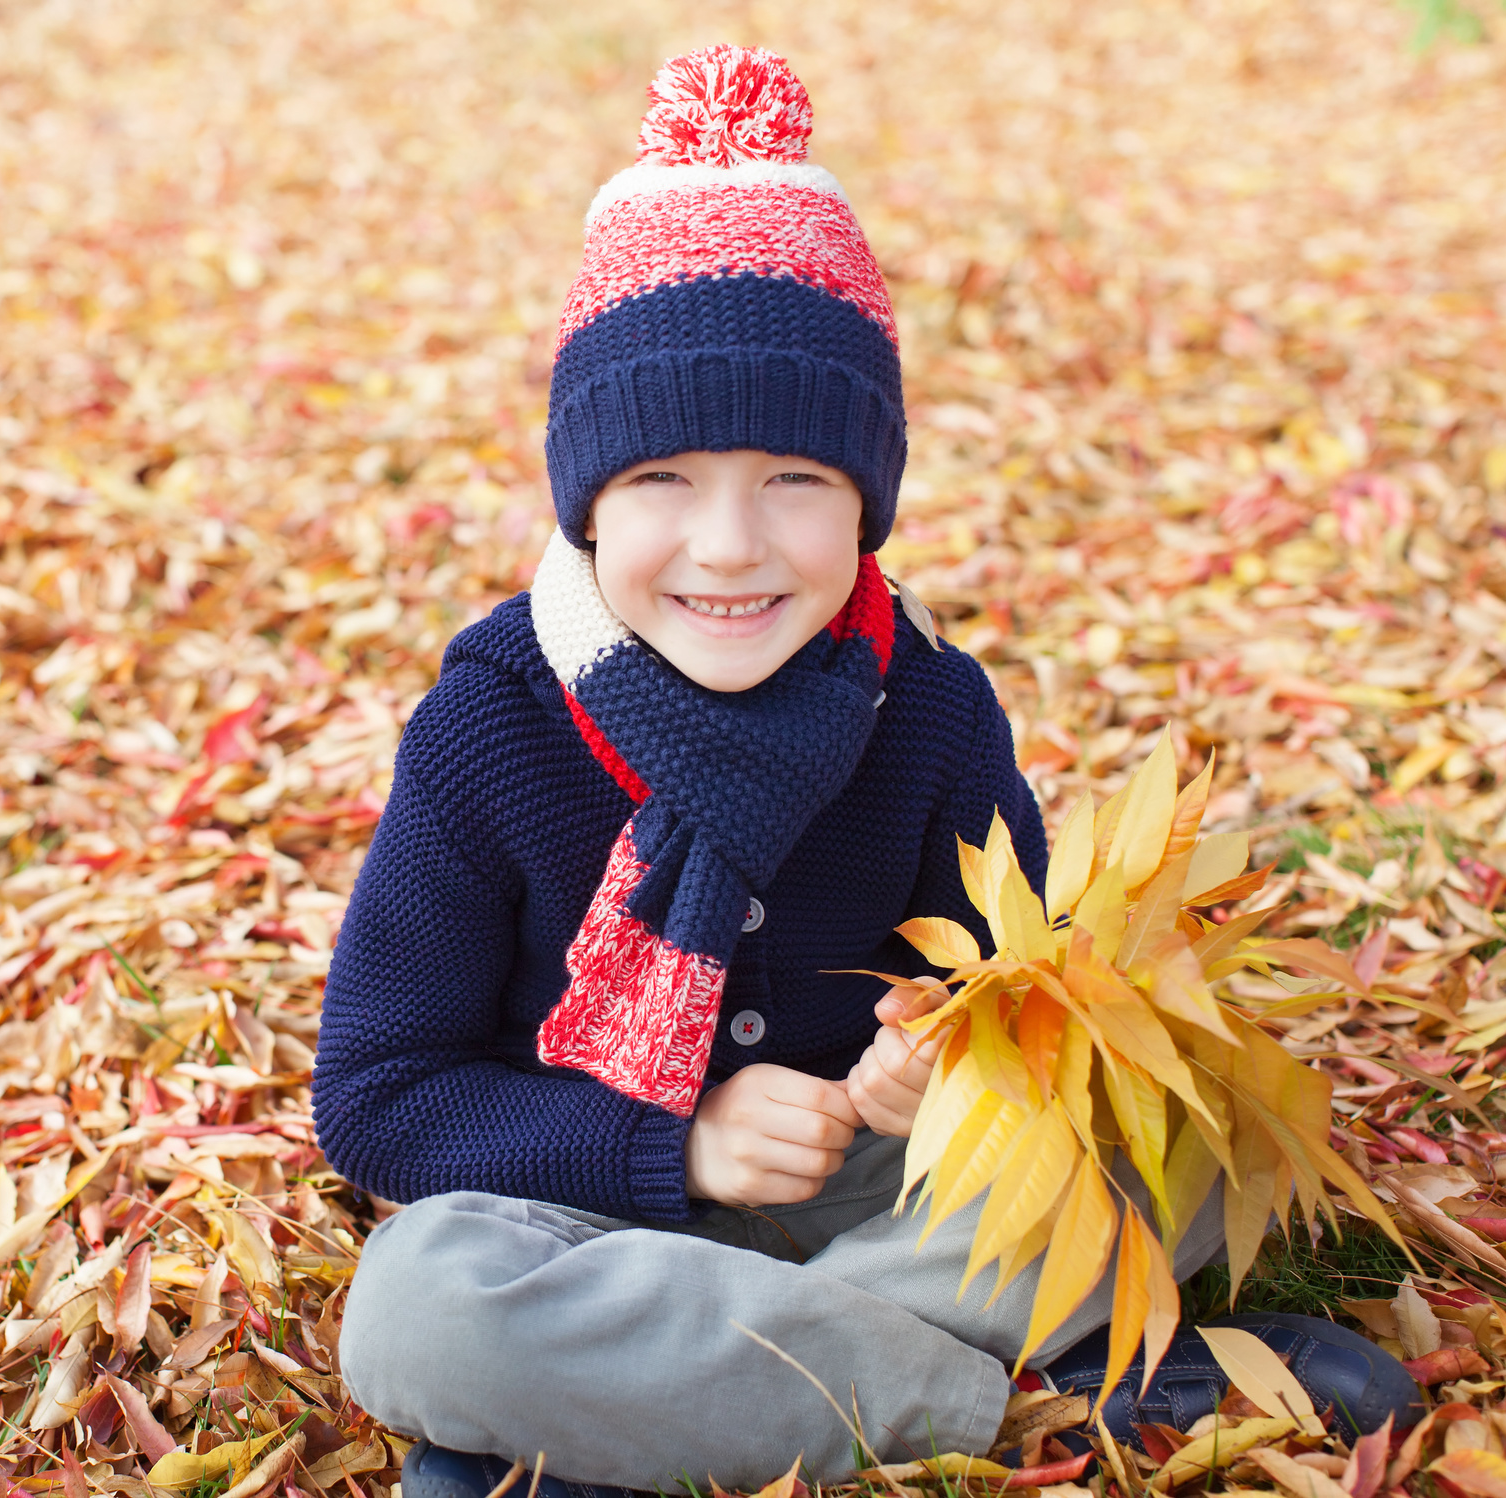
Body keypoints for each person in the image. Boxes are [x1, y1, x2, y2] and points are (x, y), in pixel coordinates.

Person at [312, 46, 1420, 1496]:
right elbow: (383, 1095)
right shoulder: (498, 727)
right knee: (422, 1304)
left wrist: (944, 1061)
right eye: (662, 483)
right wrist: (681, 1142)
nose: (727, 544)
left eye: (795, 480)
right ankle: (1005, 1402)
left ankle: (651, 1421)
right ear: (586, 505)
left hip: (875, 1197)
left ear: (867, 502)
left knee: (1185, 1138)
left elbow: (1028, 983)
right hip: (595, 1218)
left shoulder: (927, 709)